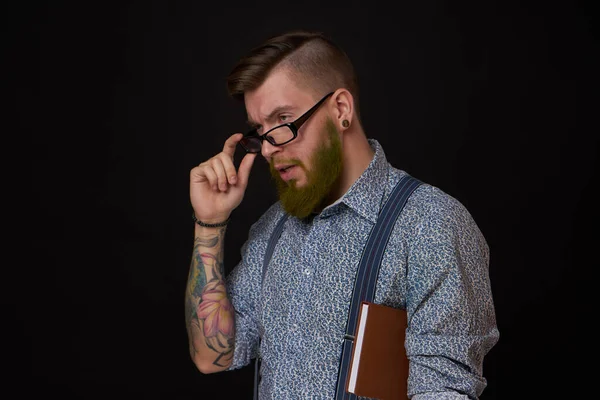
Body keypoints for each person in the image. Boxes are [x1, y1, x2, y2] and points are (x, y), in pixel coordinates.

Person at [185, 29, 499, 399]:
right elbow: (212, 356)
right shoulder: (273, 228)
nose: (268, 149)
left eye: (282, 120)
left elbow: (444, 391)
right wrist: (210, 223)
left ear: (341, 109)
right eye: (260, 130)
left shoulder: (432, 224)